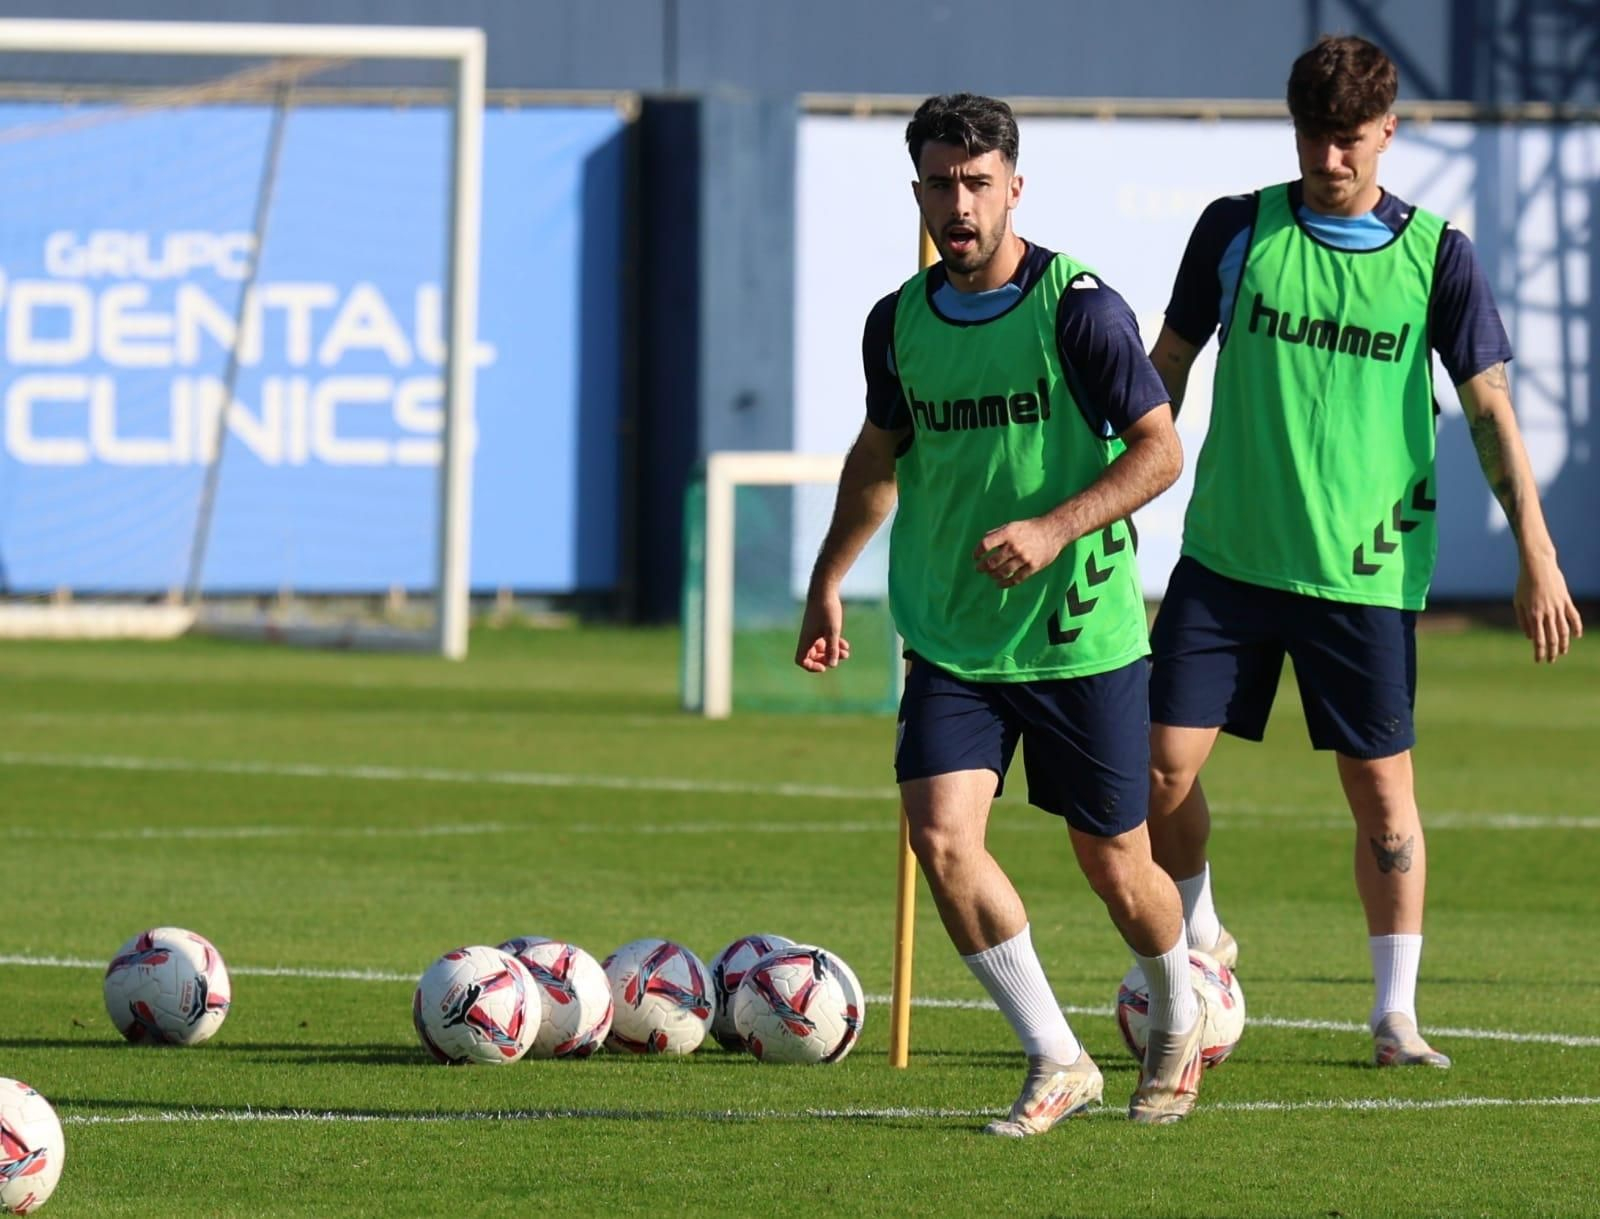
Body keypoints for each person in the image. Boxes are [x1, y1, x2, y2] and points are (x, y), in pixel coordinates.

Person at [1144, 35, 1584, 1068]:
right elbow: (1163, 370)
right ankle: (1204, 938)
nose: (1327, 159)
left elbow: (1489, 409)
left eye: (1346, 140)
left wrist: (1537, 552)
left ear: (1387, 131)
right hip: (1227, 562)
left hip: (1365, 578)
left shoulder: (1439, 255)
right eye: (1310, 137)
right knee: (1156, 773)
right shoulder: (1235, 230)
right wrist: (1113, 499)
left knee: (1383, 803)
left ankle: (1394, 1016)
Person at [795, 92, 1205, 1129]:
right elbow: (875, 461)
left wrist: (1055, 527)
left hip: (1078, 636)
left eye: (978, 184)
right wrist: (827, 578)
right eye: (940, 184)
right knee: (941, 838)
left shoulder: (1079, 309)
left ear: (1014, 187)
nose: (959, 203)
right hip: (950, 636)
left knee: (1115, 862)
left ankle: (1178, 1002)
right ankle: (1056, 1056)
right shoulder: (896, 322)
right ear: (919, 192)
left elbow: (1159, 453)